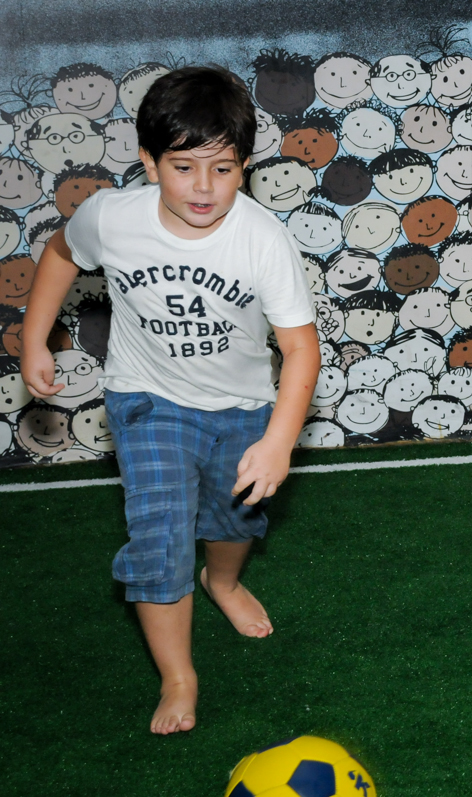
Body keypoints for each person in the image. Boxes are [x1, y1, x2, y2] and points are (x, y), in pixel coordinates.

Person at [20, 66, 319, 734]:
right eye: (184, 167)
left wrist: (277, 439)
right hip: (145, 399)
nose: (205, 188)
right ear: (149, 162)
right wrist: (33, 340)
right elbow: (62, 254)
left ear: (245, 165)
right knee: (159, 538)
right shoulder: (113, 216)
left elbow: (301, 349)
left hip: (241, 407)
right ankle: (179, 675)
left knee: (232, 521)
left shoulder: (263, 237)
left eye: (223, 168)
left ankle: (224, 581)